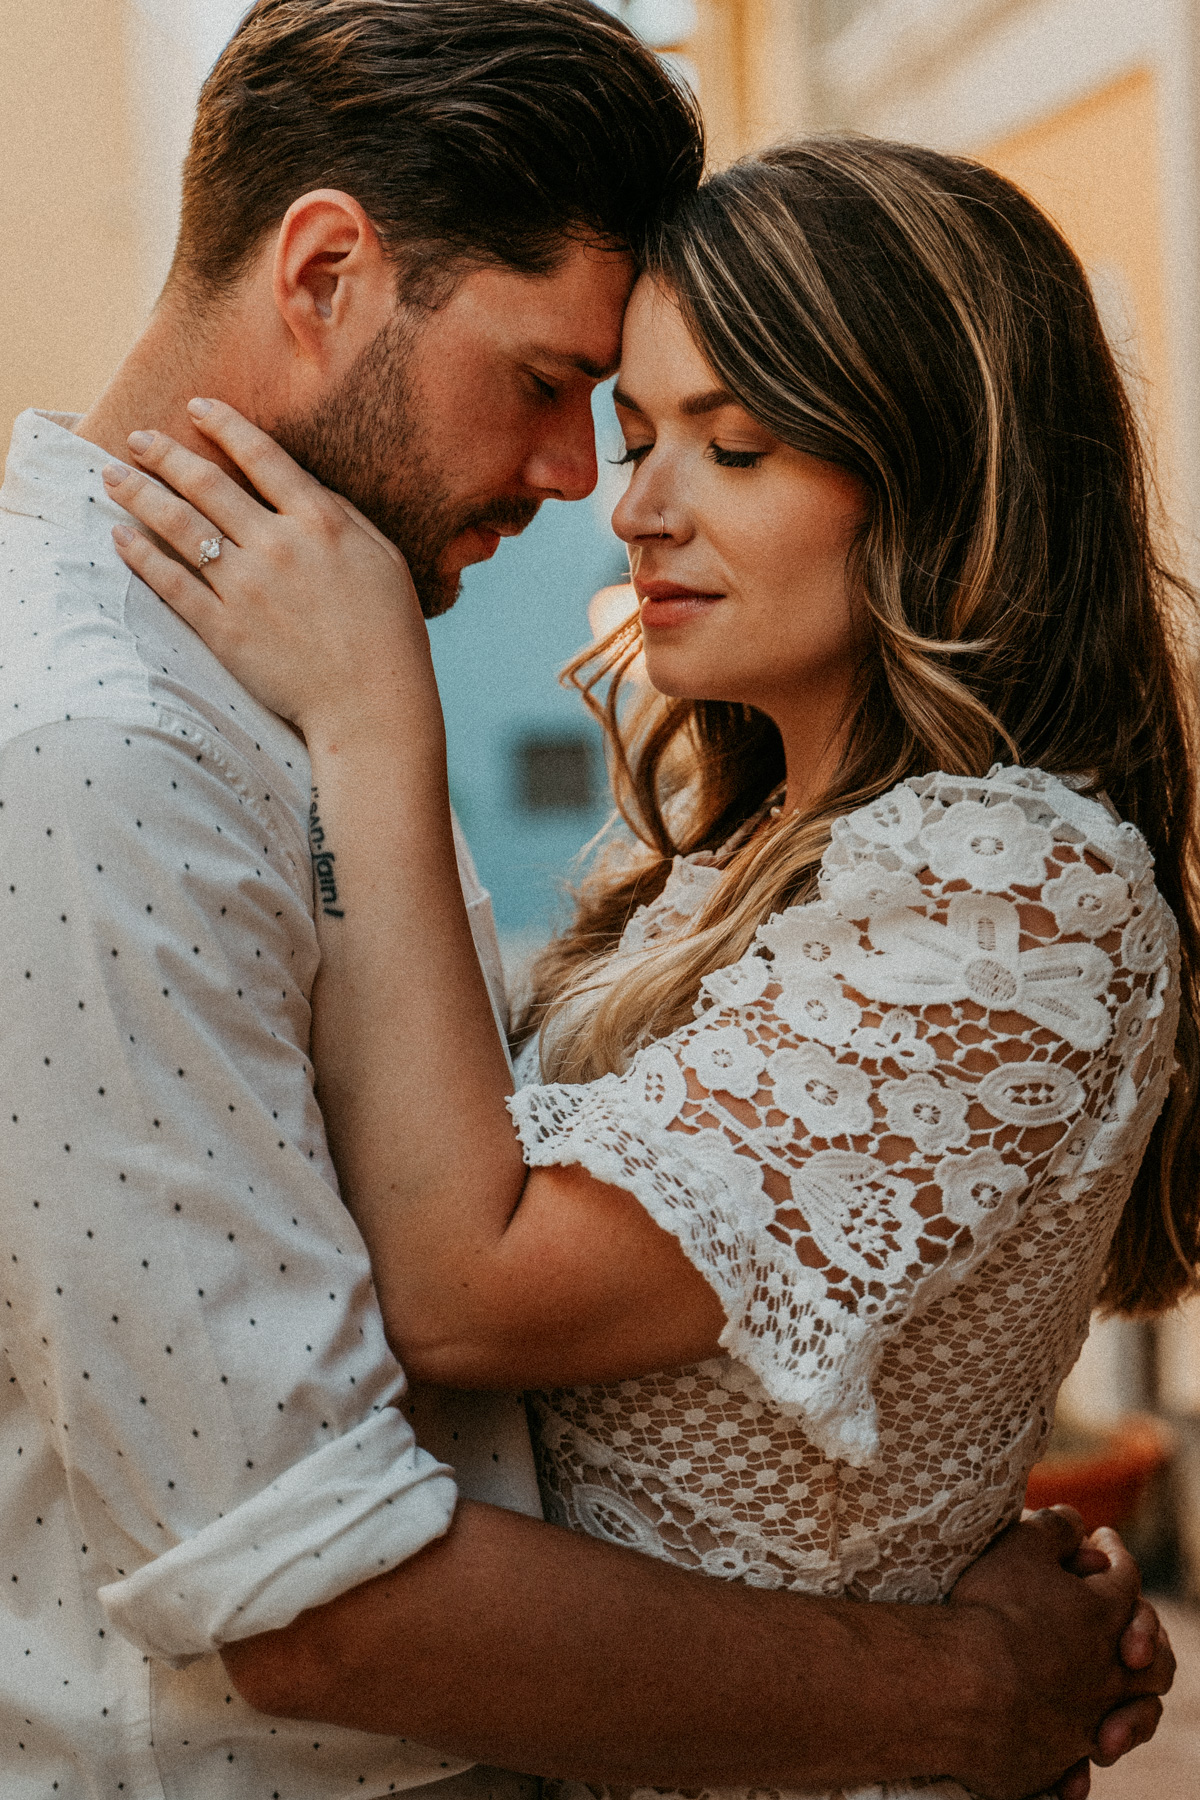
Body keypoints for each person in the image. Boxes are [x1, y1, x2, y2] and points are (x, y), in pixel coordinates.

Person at [0, 0, 1171, 1792]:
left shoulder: (287, 697)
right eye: (582, 403)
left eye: (734, 440)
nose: (594, 499)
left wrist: (912, 1527)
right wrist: (945, 1676)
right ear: (323, 269)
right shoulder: (104, 746)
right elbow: (309, 1566)